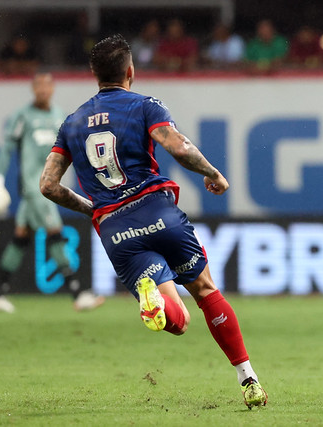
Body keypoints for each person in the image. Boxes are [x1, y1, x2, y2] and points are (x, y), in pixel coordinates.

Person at [39, 34, 267, 408]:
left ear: (93, 74)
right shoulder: (145, 105)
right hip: (155, 210)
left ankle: (156, 304)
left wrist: (93, 209)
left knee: (177, 319)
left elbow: (48, 185)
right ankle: (249, 379)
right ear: (131, 70)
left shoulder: (71, 123)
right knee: (206, 291)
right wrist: (213, 174)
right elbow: (179, 146)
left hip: (115, 229)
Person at [0, 73, 106, 313]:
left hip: (50, 187)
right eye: (38, 86)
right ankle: (77, 293)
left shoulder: (59, 117)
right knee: (55, 232)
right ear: (33, 89)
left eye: (46, 86)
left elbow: (72, 150)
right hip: (35, 189)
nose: (42, 90)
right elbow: (7, 149)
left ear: (52, 89)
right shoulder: (23, 117)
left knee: (21, 237)